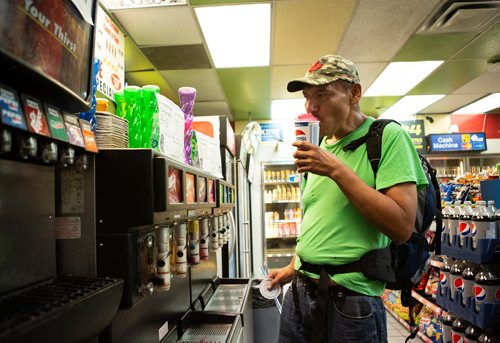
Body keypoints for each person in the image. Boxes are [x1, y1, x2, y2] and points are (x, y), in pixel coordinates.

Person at [267, 55, 429, 343]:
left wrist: (336, 169)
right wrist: (295, 266)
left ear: (354, 93)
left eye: (323, 94)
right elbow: (316, 217)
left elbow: (402, 226)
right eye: (307, 97)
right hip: (301, 293)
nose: (311, 106)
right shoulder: (317, 148)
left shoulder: (388, 137)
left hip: (351, 299)